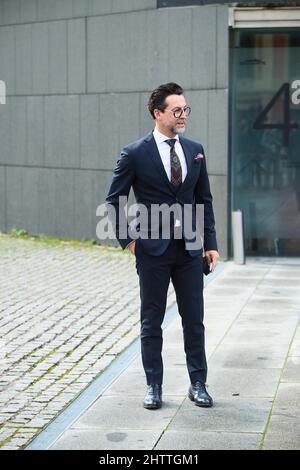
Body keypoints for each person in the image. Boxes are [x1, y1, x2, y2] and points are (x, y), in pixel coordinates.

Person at [106, 82, 219, 410]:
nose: (183, 115)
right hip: (151, 250)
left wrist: (210, 243)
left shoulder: (195, 149)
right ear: (158, 113)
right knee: (151, 319)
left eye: (186, 109)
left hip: (190, 249)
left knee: (194, 319)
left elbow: (204, 200)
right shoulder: (135, 153)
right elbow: (114, 200)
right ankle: (153, 385)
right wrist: (128, 240)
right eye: (177, 110)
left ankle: (198, 383)